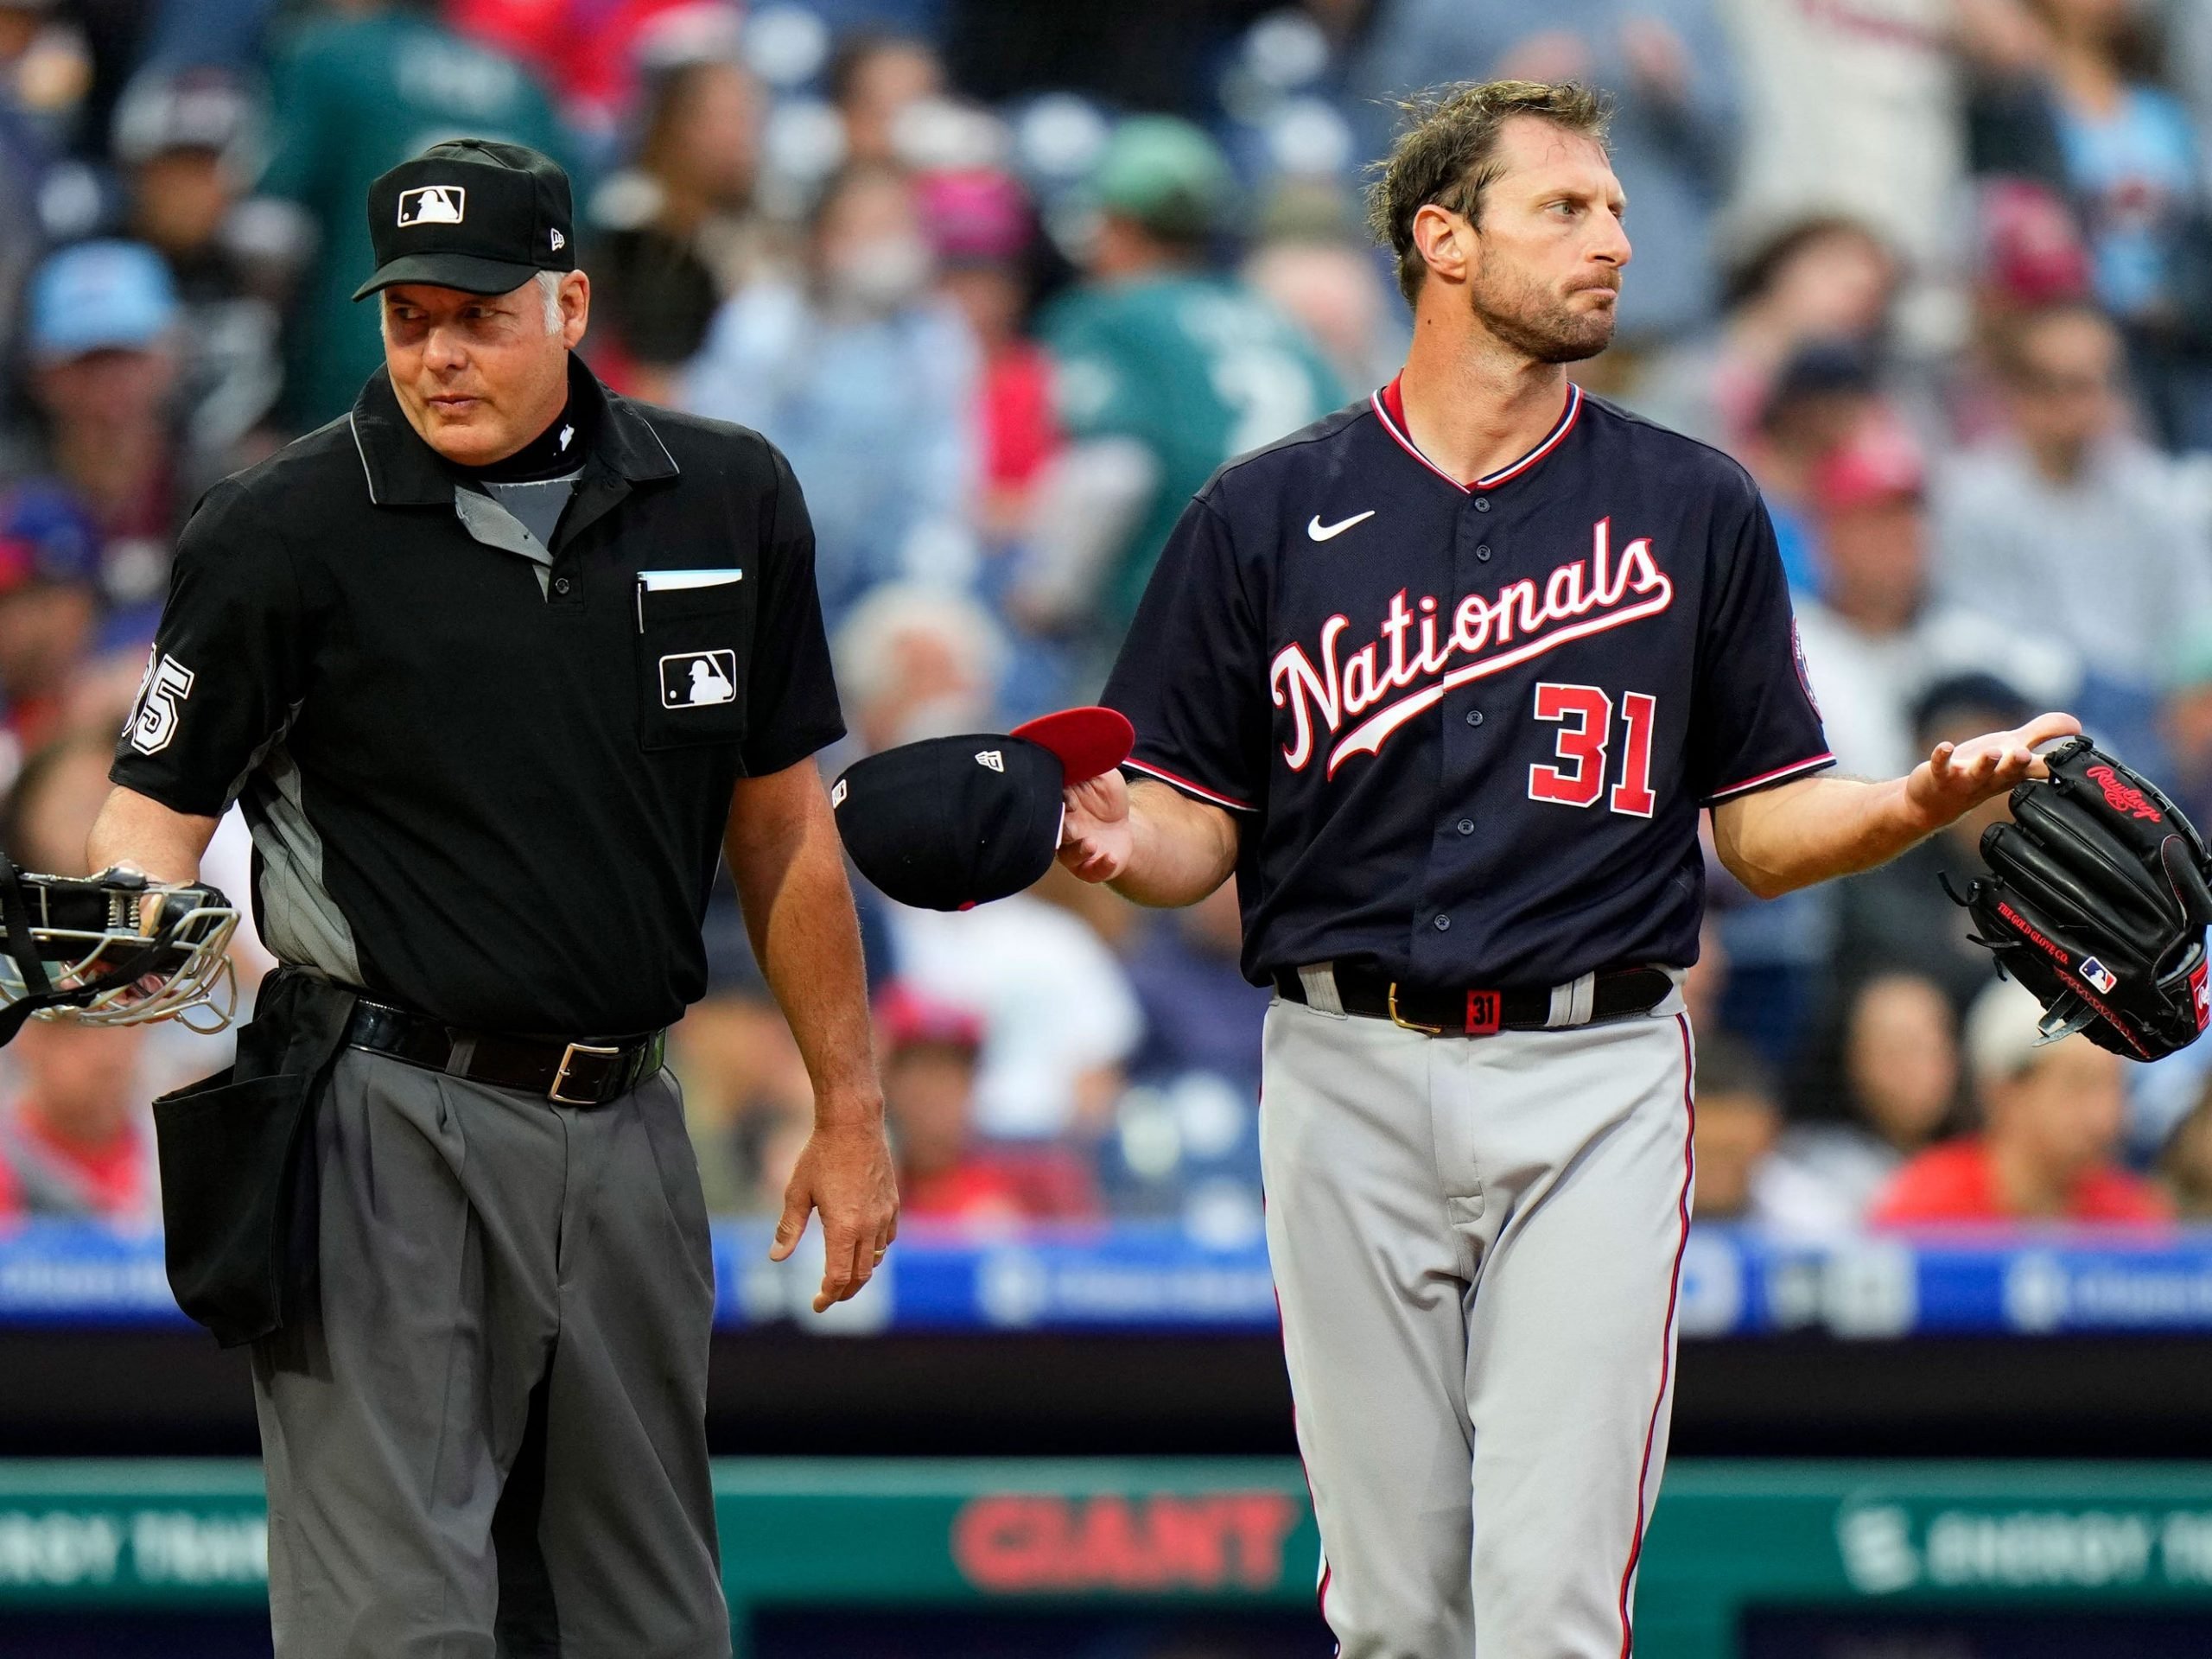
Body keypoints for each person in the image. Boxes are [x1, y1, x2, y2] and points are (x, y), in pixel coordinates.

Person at [1053, 79, 2081, 1656]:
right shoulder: (1266, 511)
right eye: (1566, 209)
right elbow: (1191, 836)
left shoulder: (1692, 504)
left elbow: (1760, 822)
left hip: (1593, 1073)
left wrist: (1907, 805)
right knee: (1395, 1617)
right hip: (1342, 1065)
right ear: (1440, 241)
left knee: (1548, 1612)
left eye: (1613, 207)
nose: (1614, 240)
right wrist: (1115, 841)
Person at [86, 139, 893, 1656]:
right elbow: (147, 817)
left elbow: (784, 830)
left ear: (571, 302)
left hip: (634, 1116)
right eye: (410, 320)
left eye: (479, 315)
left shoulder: (725, 496)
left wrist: (849, 1108)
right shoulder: (281, 531)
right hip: (383, 1113)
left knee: (648, 1620)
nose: (440, 354)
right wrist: (127, 939)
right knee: (397, 1626)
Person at [1019, 116, 1342, 675]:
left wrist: (1048, 593)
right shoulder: (1278, 323)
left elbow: (1112, 473)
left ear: (1117, 226)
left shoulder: (1110, 317)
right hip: (1303, 629)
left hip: (1170, 628)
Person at [681, 161, 980, 620]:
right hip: (774, 567)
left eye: (899, 226)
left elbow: (946, 465)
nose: (890, 245)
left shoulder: (934, 333)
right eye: (872, 227)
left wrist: (932, 573)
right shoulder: (763, 322)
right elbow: (719, 459)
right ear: (824, 239)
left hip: (892, 574)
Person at [257, 0, 566, 426]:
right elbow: (571, 241)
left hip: (361, 355)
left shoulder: (333, 53)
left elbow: (267, 233)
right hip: (500, 368)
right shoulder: (526, 82)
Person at [1934, 301, 2212, 768]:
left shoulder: (2155, 495)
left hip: (2153, 714)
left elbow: (2192, 625)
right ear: (2018, 393)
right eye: (2059, 386)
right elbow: (1968, 633)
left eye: (2095, 384)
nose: (2079, 406)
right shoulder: (1971, 498)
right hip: (2022, 717)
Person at [1791, 413, 2079, 778]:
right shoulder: (1789, 650)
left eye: (1908, 514)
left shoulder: (1967, 638)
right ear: (1823, 533)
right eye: (1874, 517)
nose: (1899, 534)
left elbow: (2067, 699)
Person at [1873, 976, 2170, 1225]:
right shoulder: (1926, 1210)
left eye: (2116, 1088)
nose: (2107, 1116)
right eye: (2077, 1085)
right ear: (2003, 1091)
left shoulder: (2131, 1219)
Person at [585, 54, 777, 405]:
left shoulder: (768, 218)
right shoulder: (635, 223)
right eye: (726, 118)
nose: (742, 135)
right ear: (676, 124)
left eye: (750, 118)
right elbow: (650, 380)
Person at [1764, 971, 1964, 1236]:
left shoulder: (1983, 1162)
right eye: (1898, 1051)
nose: (1922, 1070)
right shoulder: (1804, 1171)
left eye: (1934, 1048)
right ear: (1852, 1060)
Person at [876, 982, 1094, 1224]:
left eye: (952, 1073)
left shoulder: (1012, 1187)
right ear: (889, 1082)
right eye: (918, 1070)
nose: (935, 1091)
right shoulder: (865, 1182)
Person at [1683, 1033, 1777, 1222]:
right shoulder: (1623, 1219)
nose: (1715, 1173)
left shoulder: (1815, 1229)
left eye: (1730, 1151)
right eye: (1703, 1152)